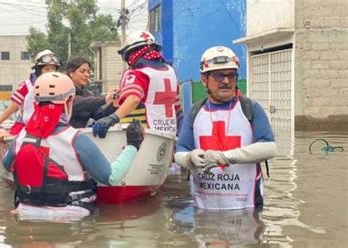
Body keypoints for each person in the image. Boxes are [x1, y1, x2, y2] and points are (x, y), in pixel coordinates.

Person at [2, 72, 144, 219]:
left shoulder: (21, 138)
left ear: (36, 102)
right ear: (69, 101)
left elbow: (6, 166)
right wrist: (133, 145)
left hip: (25, 213)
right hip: (72, 217)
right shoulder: (75, 139)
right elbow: (111, 178)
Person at [174, 46, 277, 209]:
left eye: (231, 75)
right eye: (219, 75)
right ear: (204, 79)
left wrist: (226, 157)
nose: (226, 81)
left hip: (246, 210)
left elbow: (270, 148)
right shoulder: (194, 112)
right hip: (205, 210)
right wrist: (189, 158)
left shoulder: (250, 108)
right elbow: (179, 151)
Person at [92, 30, 180, 138]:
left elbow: (133, 98)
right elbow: (177, 108)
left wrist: (113, 118)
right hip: (168, 135)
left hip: (143, 136)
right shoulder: (171, 72)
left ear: (130, 54)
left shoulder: (136, 74)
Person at [0, 49, 61, 134]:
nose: (50, 72)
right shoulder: (27, 86)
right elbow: (12, 107)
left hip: (51, 128)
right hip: (25, 128)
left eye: (53, 69)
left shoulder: (61, 87)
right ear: (39, 70)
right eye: (47, 69)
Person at [65, 57, 117, 128]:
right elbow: (75, 102)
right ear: (71, 73)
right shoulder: (63, 91)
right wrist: (104, 99)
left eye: (88, 72)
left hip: (80, 135)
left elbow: (98, 115)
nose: (87, 75)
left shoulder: (88, 94)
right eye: (82, 71)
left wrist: (114, 105)